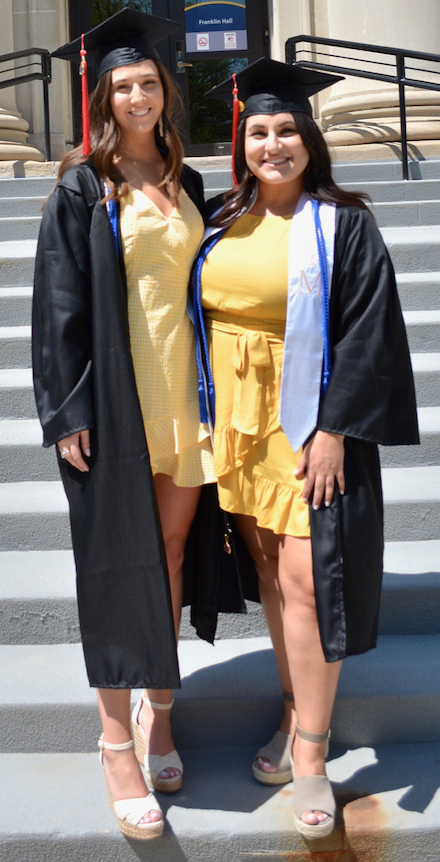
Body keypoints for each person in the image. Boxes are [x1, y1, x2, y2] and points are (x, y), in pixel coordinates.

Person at [191, 58, 419, 839]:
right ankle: (292, 720)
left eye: (287, 130)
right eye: (258, 131)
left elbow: (368, 336)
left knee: (309, 584)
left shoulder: (344, 222)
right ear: (240, 143)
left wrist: (334, 433)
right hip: (234, 429)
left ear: (310, 139)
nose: (273, 143)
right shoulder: (222, 219)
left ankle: (314, 754)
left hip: (304, 427)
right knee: (269, 576)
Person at [32, 8, 217, 840]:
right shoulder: (81, 182)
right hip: (114, 403)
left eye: (148, 83)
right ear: (103, 95)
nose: (137, 94)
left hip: (183, 398)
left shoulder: (188, 178)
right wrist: (67, 408)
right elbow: (58, 303)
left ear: (163, 92)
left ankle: (160, 709)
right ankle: (115, 740)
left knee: (172, 554)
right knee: (116, 565)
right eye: (123, 84)